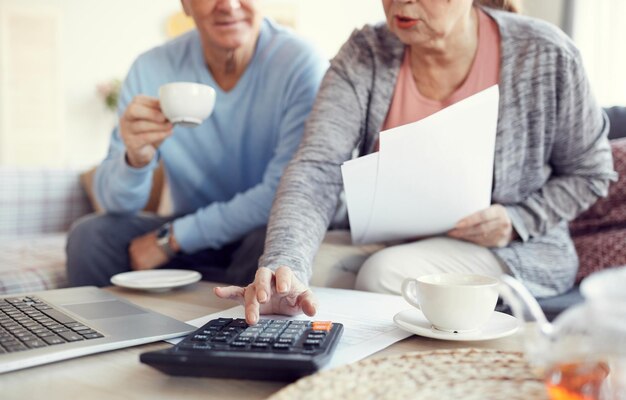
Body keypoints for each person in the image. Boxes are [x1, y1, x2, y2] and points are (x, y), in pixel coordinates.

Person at [215, 0, 616, 324]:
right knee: (296, 280)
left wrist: (518, 219)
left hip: (515, 245)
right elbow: (316, 168)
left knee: (384, 274)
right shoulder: (365, 54)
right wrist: (285, 263)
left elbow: (593, 171)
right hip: (394, 236)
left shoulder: (546, 54)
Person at [66, 0, 327, 287]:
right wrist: (135, 160)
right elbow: (114, 204)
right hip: (192, 226)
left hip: (260, 228)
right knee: (89, 237)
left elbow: (287, 192)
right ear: (185, 5)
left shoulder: (299, 62)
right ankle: (110, 331)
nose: (228, 5)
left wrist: (173, 238)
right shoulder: (151, 68)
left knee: (268, 248)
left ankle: (232, 329)